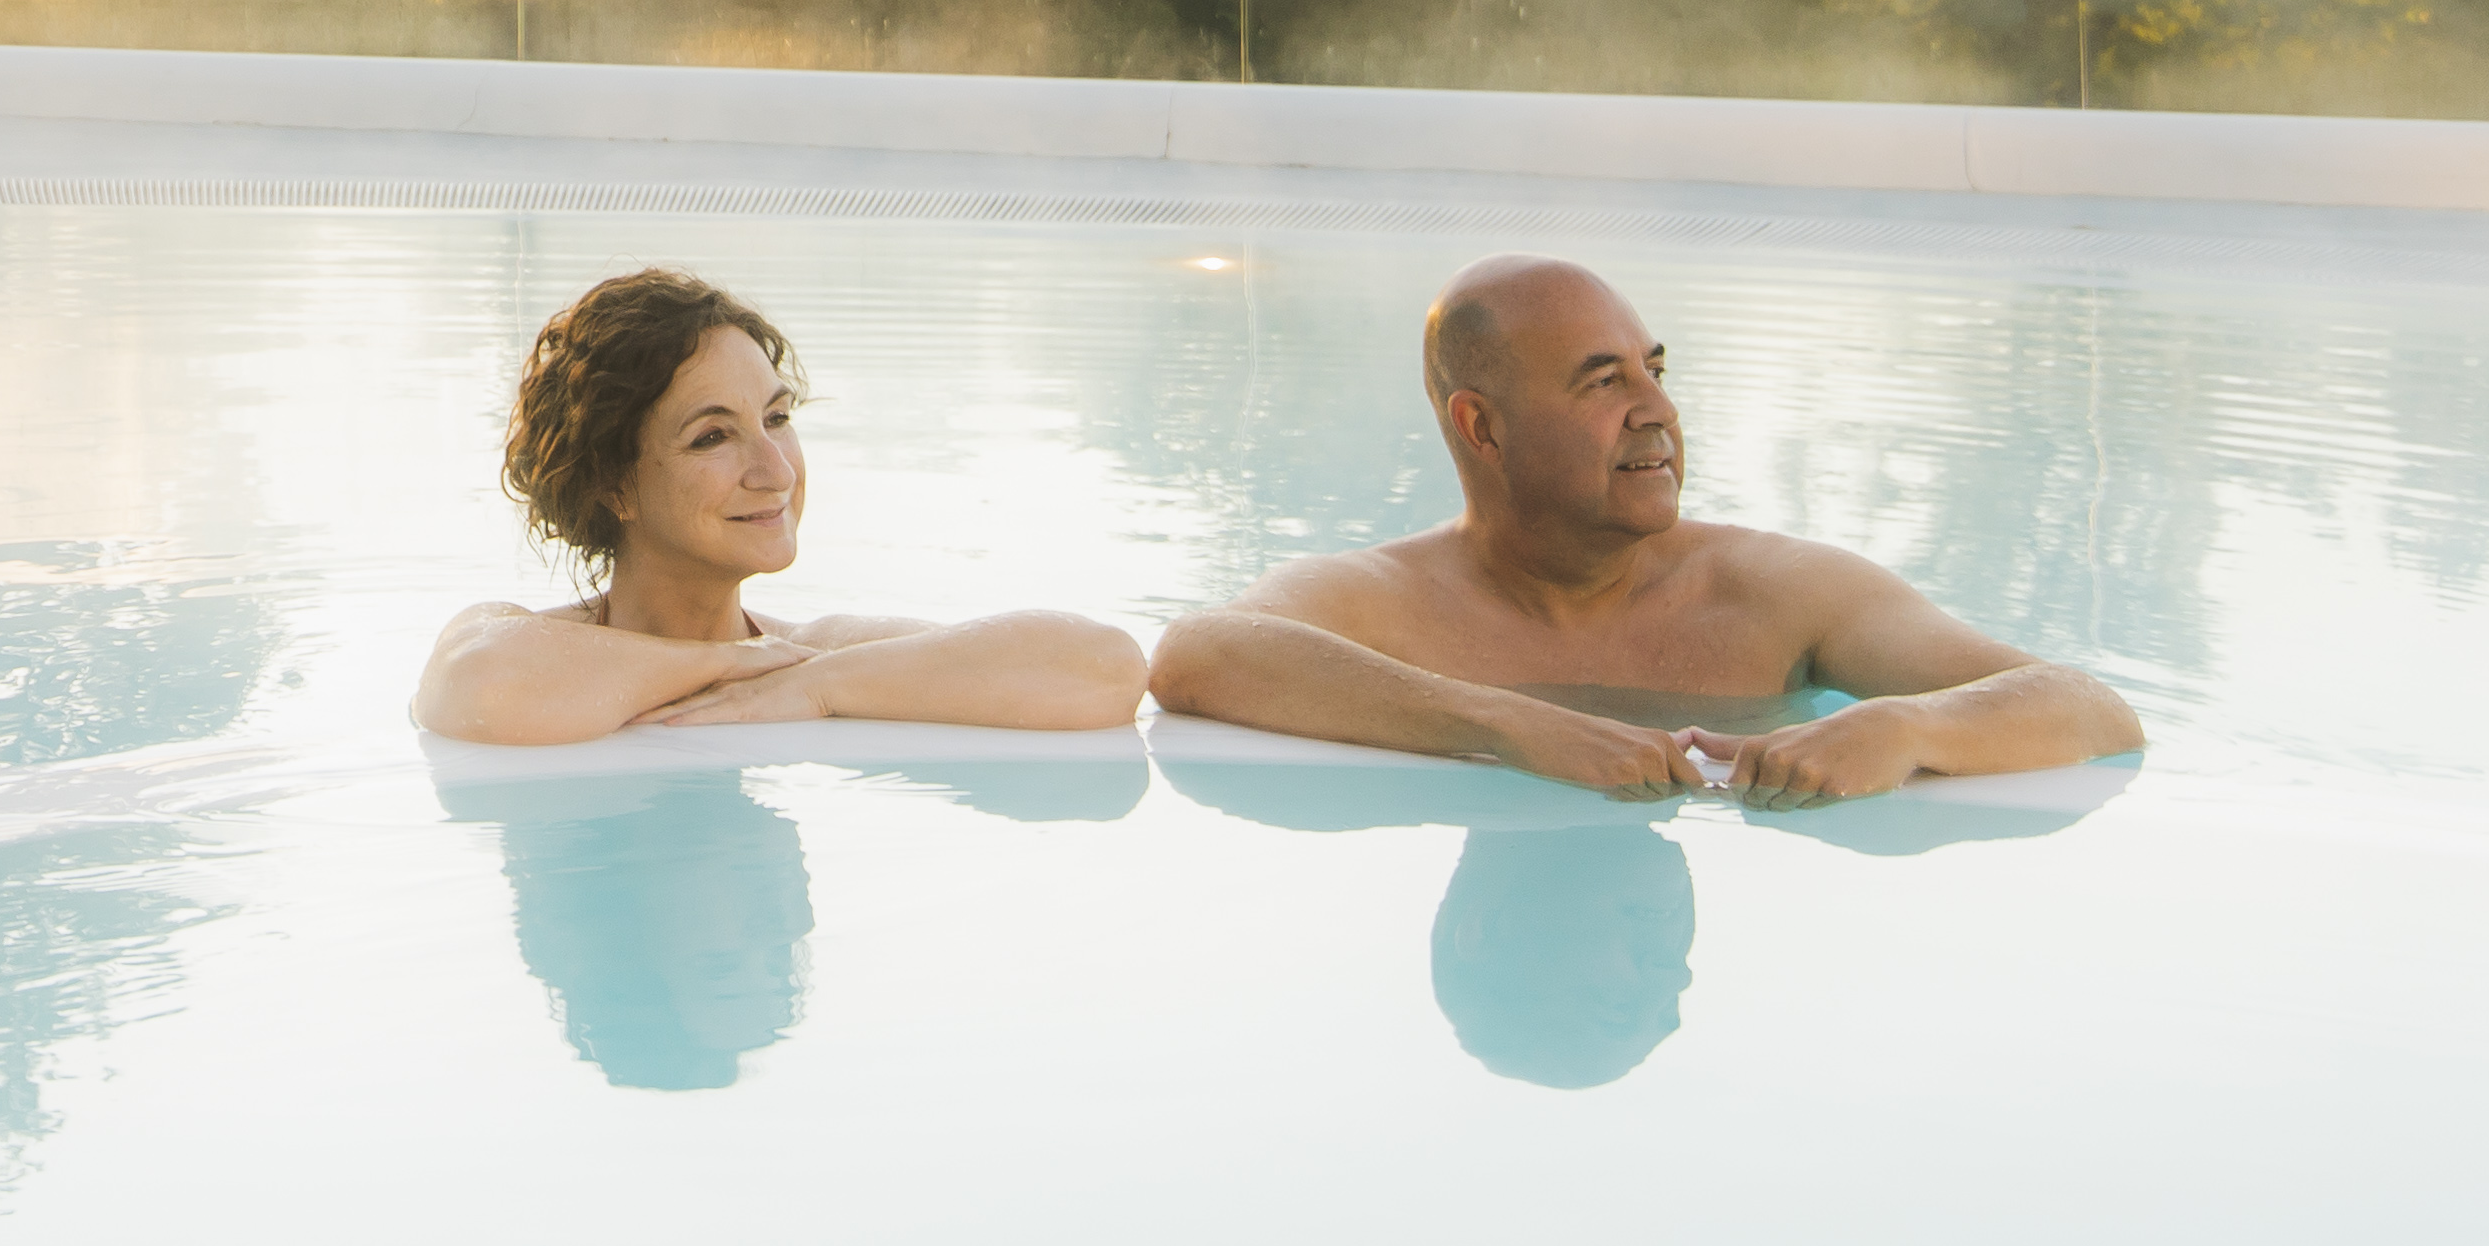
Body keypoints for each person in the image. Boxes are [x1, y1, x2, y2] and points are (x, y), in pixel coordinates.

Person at [1149, 253, 2139, 804]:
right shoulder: (1388, 599)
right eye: (1602, 379)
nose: (1655, 409)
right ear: (1480, 425)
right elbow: (1199, 652)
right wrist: (1499, 722)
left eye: (1654, 369)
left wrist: (1906, 722)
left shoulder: (1779, 594)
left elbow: (2089, 708)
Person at [413, 266, 1151, 743]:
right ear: (611, 482)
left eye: (775, 418)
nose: (774, 471)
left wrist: (819, 685)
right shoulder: (521, 647)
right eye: (712, 436)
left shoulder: (808, 656)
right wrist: (731, 663)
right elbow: (478, 683)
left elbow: (1104, 668)